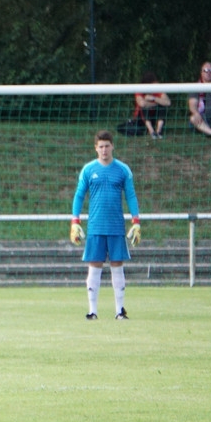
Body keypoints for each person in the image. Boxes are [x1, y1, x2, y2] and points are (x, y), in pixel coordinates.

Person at [70, 130, 141, 321]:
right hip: (95, 226)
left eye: (107, 146)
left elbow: (131, 196)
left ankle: (119, 311)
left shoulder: (123, 170)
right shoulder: (88, 170)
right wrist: (75, 221)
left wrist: (136, 221)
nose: (104, 150)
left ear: (112, 147)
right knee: (95, 266)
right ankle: (92, 311)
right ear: (96, 148)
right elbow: (79, 196)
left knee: (117, 266)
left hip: (116, 226)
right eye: (100, 146)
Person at [133, 71, 171, 139]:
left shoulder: (157, 90)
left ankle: (159, 131)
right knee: (145, 108)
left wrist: (154, 98)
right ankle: (151, 132)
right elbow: (142, 103)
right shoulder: (139, 90)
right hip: (141, 119)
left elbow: (167, 102)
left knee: (162, 107)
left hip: (154, 117)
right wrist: (155, 103)